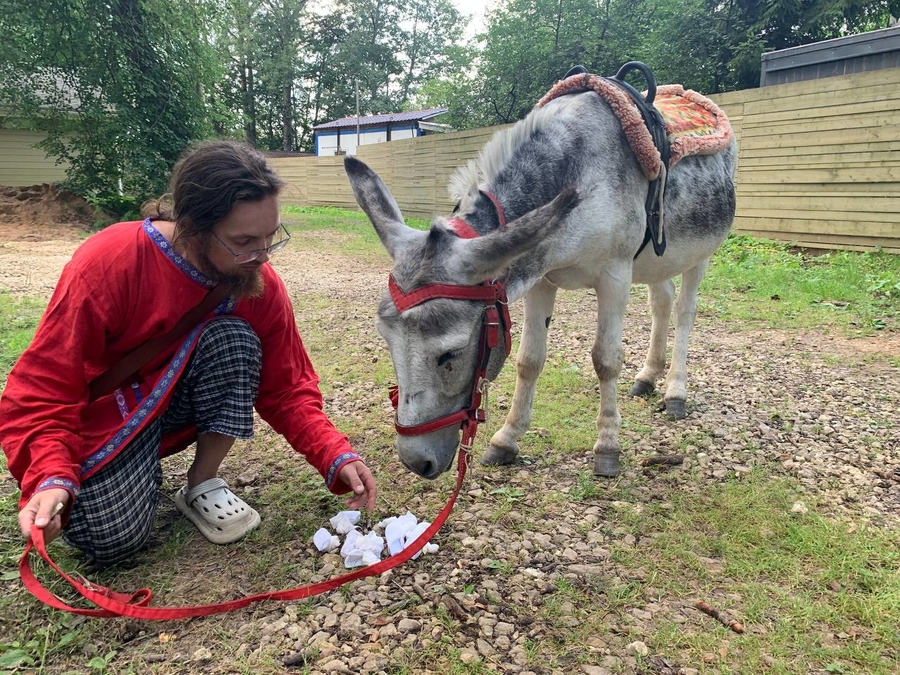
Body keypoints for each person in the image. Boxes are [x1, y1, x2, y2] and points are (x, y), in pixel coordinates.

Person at [0, 140, 378, 566]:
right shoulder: (109, 263)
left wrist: (334, 452)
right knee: (109, 541)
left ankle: (201, 481)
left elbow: (287, 386)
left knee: (234, 338)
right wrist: (50, 476)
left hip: (169, 406)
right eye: (245, 241)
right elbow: (42, 388)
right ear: (193, 228)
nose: (263, 257)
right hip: (109, 419)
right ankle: (128, 473)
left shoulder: (259, 282)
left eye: (271, 237)